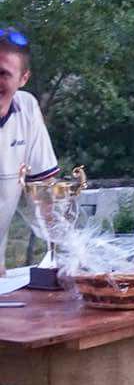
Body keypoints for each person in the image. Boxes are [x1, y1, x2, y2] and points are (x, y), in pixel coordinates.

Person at [0, 28, 59, 276]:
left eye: (3, 73)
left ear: (23, 78)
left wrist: (68, 252)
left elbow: (45, 191)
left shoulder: (26, 109)